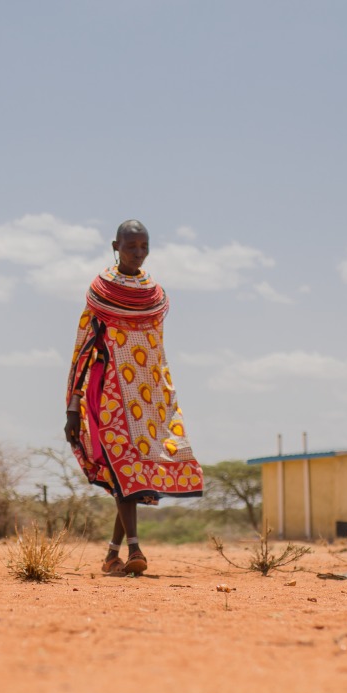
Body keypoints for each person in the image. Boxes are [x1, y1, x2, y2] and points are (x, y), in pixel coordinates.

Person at [65, 221, 205, 575]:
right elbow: (84, 350)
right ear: (116, 246)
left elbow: (157, 352)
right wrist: (73, 408)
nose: (138, 253)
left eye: (144, 246)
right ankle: (135, 549)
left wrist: (163, 393)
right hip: (109, 392)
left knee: (132, 474)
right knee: (123, 465)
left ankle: (112, 555)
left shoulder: (155, 296)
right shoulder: (101, 293)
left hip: (148, 396)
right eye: (131, 247)